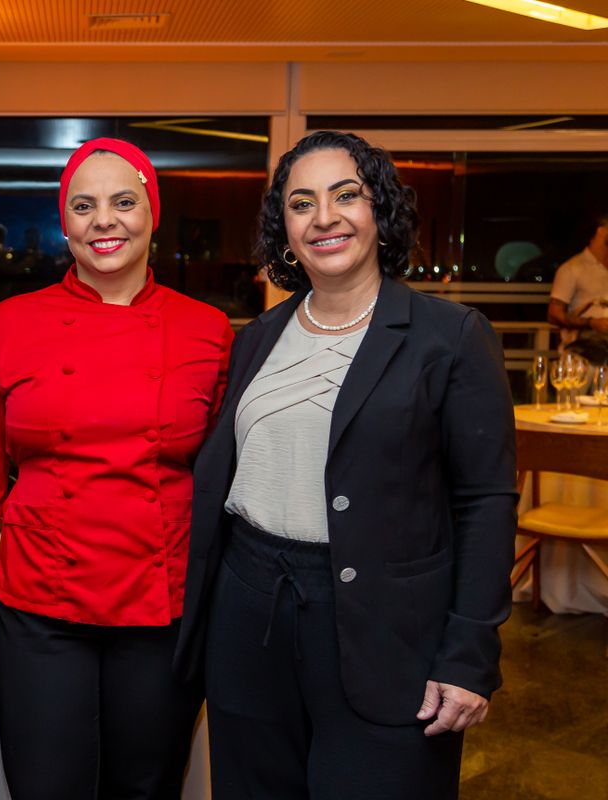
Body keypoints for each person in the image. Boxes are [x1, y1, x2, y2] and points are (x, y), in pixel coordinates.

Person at [175, 130, 517, 799]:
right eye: (302, 204)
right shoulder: (260, 337)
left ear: (378, 210)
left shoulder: (448, 336)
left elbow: (485, 502)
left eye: (345, 195)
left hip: (388, 630)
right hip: (250, 613)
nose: (324, 217)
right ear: (285, 229)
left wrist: (469, 654)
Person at [0, 138, 234, 799]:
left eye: (124, 202)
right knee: (45, 786)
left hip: (162, 610)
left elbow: (225, 482)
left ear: (152, 212)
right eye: (84, 205)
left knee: (147, 787)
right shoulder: (10, 325)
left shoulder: (207, 332)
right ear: (63, 222)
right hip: (42, 606)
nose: (105, 221)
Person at [549, 212, 608, 363]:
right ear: (601, 231)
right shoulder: (572, 268)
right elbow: (554, 314)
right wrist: (592, 323)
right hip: (584, 354)